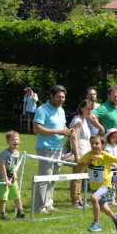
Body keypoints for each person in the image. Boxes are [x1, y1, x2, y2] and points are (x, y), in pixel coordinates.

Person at [75, 134, 117, 232]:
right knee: (104, 208)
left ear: (102, 145)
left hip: (105, 185)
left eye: (97, 143)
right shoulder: (88, 155)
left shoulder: (106, 156)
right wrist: (88, 162)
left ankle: (96, 223)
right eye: (92, 143)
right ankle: (115, 217)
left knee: (94, 198)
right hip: (94, 187)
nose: (94, 145)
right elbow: (78, 167)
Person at [33, 85, 71, 214]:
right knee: (44, 178)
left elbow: (62, 125)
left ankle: (48, 204)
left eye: (63, 97)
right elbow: (36, 129)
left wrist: (66, 131)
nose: (61, 99)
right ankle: (39, 207)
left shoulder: (61, 110)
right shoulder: (42, 110)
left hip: (58, 148)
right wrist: (57, 131)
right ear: (51, 96)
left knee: (53, 178)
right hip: (45, 148)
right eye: (59, 97)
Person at [70, 99, 104, 208]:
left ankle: (79, 199)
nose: (90, 111)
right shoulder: (78, 120)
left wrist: (93, 120)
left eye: (91, 109)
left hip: (85, 153)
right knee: (76, 176)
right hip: (80, 152)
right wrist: (77, 155)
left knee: (80, 177)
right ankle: (75, 201)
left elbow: (101, 130)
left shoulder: (84, 120)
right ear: (81, 109)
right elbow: (74, 137)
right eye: (87, 109)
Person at [0, 130, 26, 219]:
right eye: (13, 140)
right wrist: (6, 179)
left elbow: (15, 165)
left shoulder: (17, 153)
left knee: (17, 195)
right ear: (8, 142)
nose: (16, 141)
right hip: (3, 178)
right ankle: (2, 214)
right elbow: (2, 166)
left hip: (12, 178)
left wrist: (15, 173)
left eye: (17, 139)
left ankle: (20, 211)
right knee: (3, 197)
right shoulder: (4, 153)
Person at [103, 128, 117, 207]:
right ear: (109, 137)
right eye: (113, 137)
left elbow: (116, 158)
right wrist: (114, 165)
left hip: (116, 168)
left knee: (115, 185)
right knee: (108, 185)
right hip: (109, 169)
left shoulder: (115, 147)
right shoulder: (107, 147)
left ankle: (112, 200)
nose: (115, 139)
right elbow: (108, 159)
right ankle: (106, 200)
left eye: (116, 137)